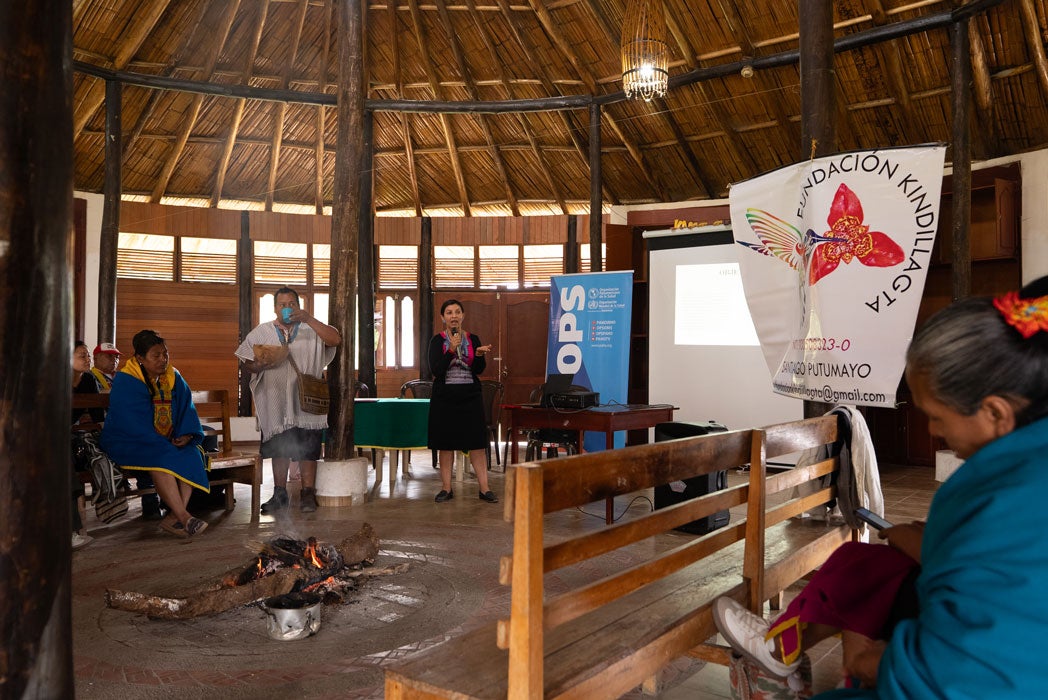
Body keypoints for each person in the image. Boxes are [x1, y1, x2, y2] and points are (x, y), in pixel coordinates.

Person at [713, 275, 1048, 698]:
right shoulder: (1016, 470)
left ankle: (784, 659)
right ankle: (780, 650)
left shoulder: (1013, 495)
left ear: (995, 413)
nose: (932, 430)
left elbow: (979, 670)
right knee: (862, 564)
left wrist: (882, 664)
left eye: (938, 418)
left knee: (870, 583)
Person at [235, 287, 341, 514]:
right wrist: (259, 364)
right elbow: (246, 362)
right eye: (282, 304)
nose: (287, 308)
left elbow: (335, 339)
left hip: (306, 399)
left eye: (291, 304)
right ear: (275, 308)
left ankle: (308, 493)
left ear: (298, 305)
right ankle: (280, 494)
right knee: (279, 446)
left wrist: (309, 318)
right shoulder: (262, 332)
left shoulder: (311, 329)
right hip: (275, 400)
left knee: (309, 446)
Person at [101, 330, 210, 537]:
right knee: (160, 459)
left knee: (193, 453)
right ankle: (185, 518)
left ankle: (173, 517)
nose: (163, 360)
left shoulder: (173, 376)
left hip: (165, 440)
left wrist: (186, 435)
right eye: (156, 355)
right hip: (128, 441)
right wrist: (160, 442)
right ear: (140, 358)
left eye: (165, 354)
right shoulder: (127, 379)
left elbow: (187, 407)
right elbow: (129, 421)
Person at [427, 299, 498, 504]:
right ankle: (446, 488)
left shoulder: (473, 338)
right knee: (446, 443)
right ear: (443, 318)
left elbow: (478, 370)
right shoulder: (437, 341)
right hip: (445, 398)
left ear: (463, 316)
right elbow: (436, 370)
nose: (454, 316)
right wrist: (450, 350)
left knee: (476, 443)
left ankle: (484, 489)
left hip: (470, 397)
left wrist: (478, 355)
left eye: (457, 312)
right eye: (449, 313)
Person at [71, 341, 101, 550]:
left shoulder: (89, 379)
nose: (87, 359)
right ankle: (71, 530)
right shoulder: (54, 378)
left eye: (88, 355)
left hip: (75, 434)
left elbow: (98, 414)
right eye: (82, 355)